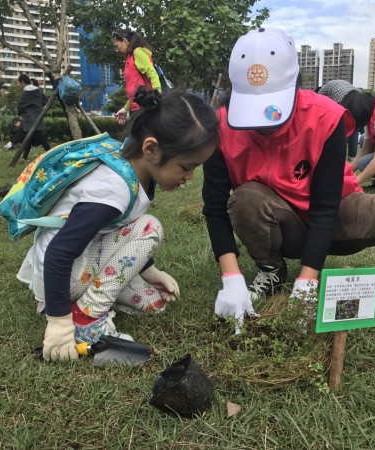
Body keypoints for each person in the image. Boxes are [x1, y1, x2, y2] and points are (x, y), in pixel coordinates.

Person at [202, 28, 375, 334]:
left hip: (336, 214)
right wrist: (231, 278)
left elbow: (326, 206)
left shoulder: (326, 117)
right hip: (283, 223)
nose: (264, 125)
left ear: (296, 85)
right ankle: (272, 270)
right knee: (245, 198)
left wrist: (309, 280)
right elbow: (215, 207)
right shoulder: (222, 127)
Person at [16, 87, 219, 361]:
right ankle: (84, 319)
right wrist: (59, 324)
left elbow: (116, 225)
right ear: (151, 148)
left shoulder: (133, 165)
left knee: (154, 304)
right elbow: (58, 252)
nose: (190, 177)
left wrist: (149, 271)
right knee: (150, 228)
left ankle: (85, 305)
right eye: (185, 167)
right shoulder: (114, 187)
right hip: (62, 276)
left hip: (81, 262)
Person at [111, 28, 162, 125]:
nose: (116, 49)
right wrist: (125, 109)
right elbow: (135, 88)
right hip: (137, 108)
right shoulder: (130, 58)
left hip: (145, 108)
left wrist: (157, 96)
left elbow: (153, 74)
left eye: (116, 45)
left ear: (125, 41)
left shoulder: (137, 53)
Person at [318, 80, 375, 160]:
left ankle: (348, 156)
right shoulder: (329, 94)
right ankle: (346, 156)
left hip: (349, 98)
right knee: (347, 128)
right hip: (349, 97)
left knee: (349, 127)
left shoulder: (322, 94)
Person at [17, 74, 51, 160]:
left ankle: (50, 152)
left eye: (19, 83)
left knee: (39, 137)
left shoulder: (25, 93)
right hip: (38, 115)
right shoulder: (38, 91)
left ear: (23, 82)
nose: (19, 85)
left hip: (29, 118)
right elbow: (45, 101)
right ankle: (24, 157)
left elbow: (20, 106)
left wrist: (21, 111)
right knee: (29, 137)